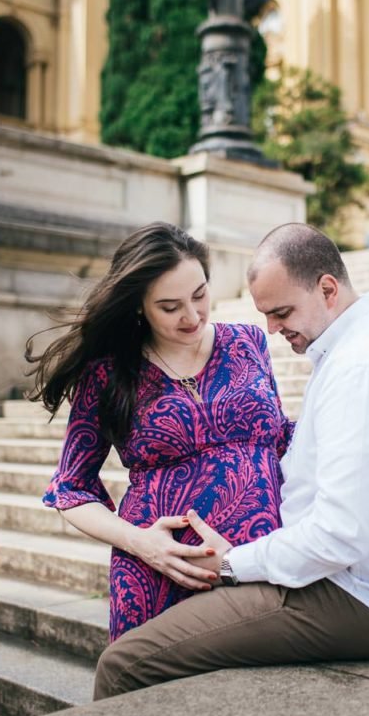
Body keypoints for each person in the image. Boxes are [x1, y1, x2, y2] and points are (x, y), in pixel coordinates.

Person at [93, 222, 369, 699]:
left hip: (368, 598)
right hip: (367, 583)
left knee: (124, 664)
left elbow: (340, 535)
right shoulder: (360, 344)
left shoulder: (362, 369)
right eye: (265, 314)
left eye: (282, 311)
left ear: (327, 288)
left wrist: (230, 564)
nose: (271, 328)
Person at [28, 222, 292, 641]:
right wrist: (142, 544)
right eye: (170, 307)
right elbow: (71, 489)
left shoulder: (248, 342)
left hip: (254, 564)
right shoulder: (109, 373)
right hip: (156, 577)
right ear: (139, 307)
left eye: (200, 295)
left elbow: (280, 440)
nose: (192, 316)